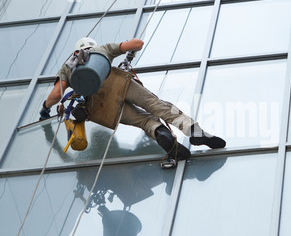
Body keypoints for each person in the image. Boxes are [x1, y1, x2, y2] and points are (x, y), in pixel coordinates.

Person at [39, 37, 226, 165]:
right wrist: (130, 50)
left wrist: (44, 109)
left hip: (100, 107)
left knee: (144, 121)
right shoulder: (101, 50)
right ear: (91, 47)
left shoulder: (68, 66)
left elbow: (56, 95)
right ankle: (194, 130)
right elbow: (138, 43)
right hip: (117, 84)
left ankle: (165, 138)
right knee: (158, 106)